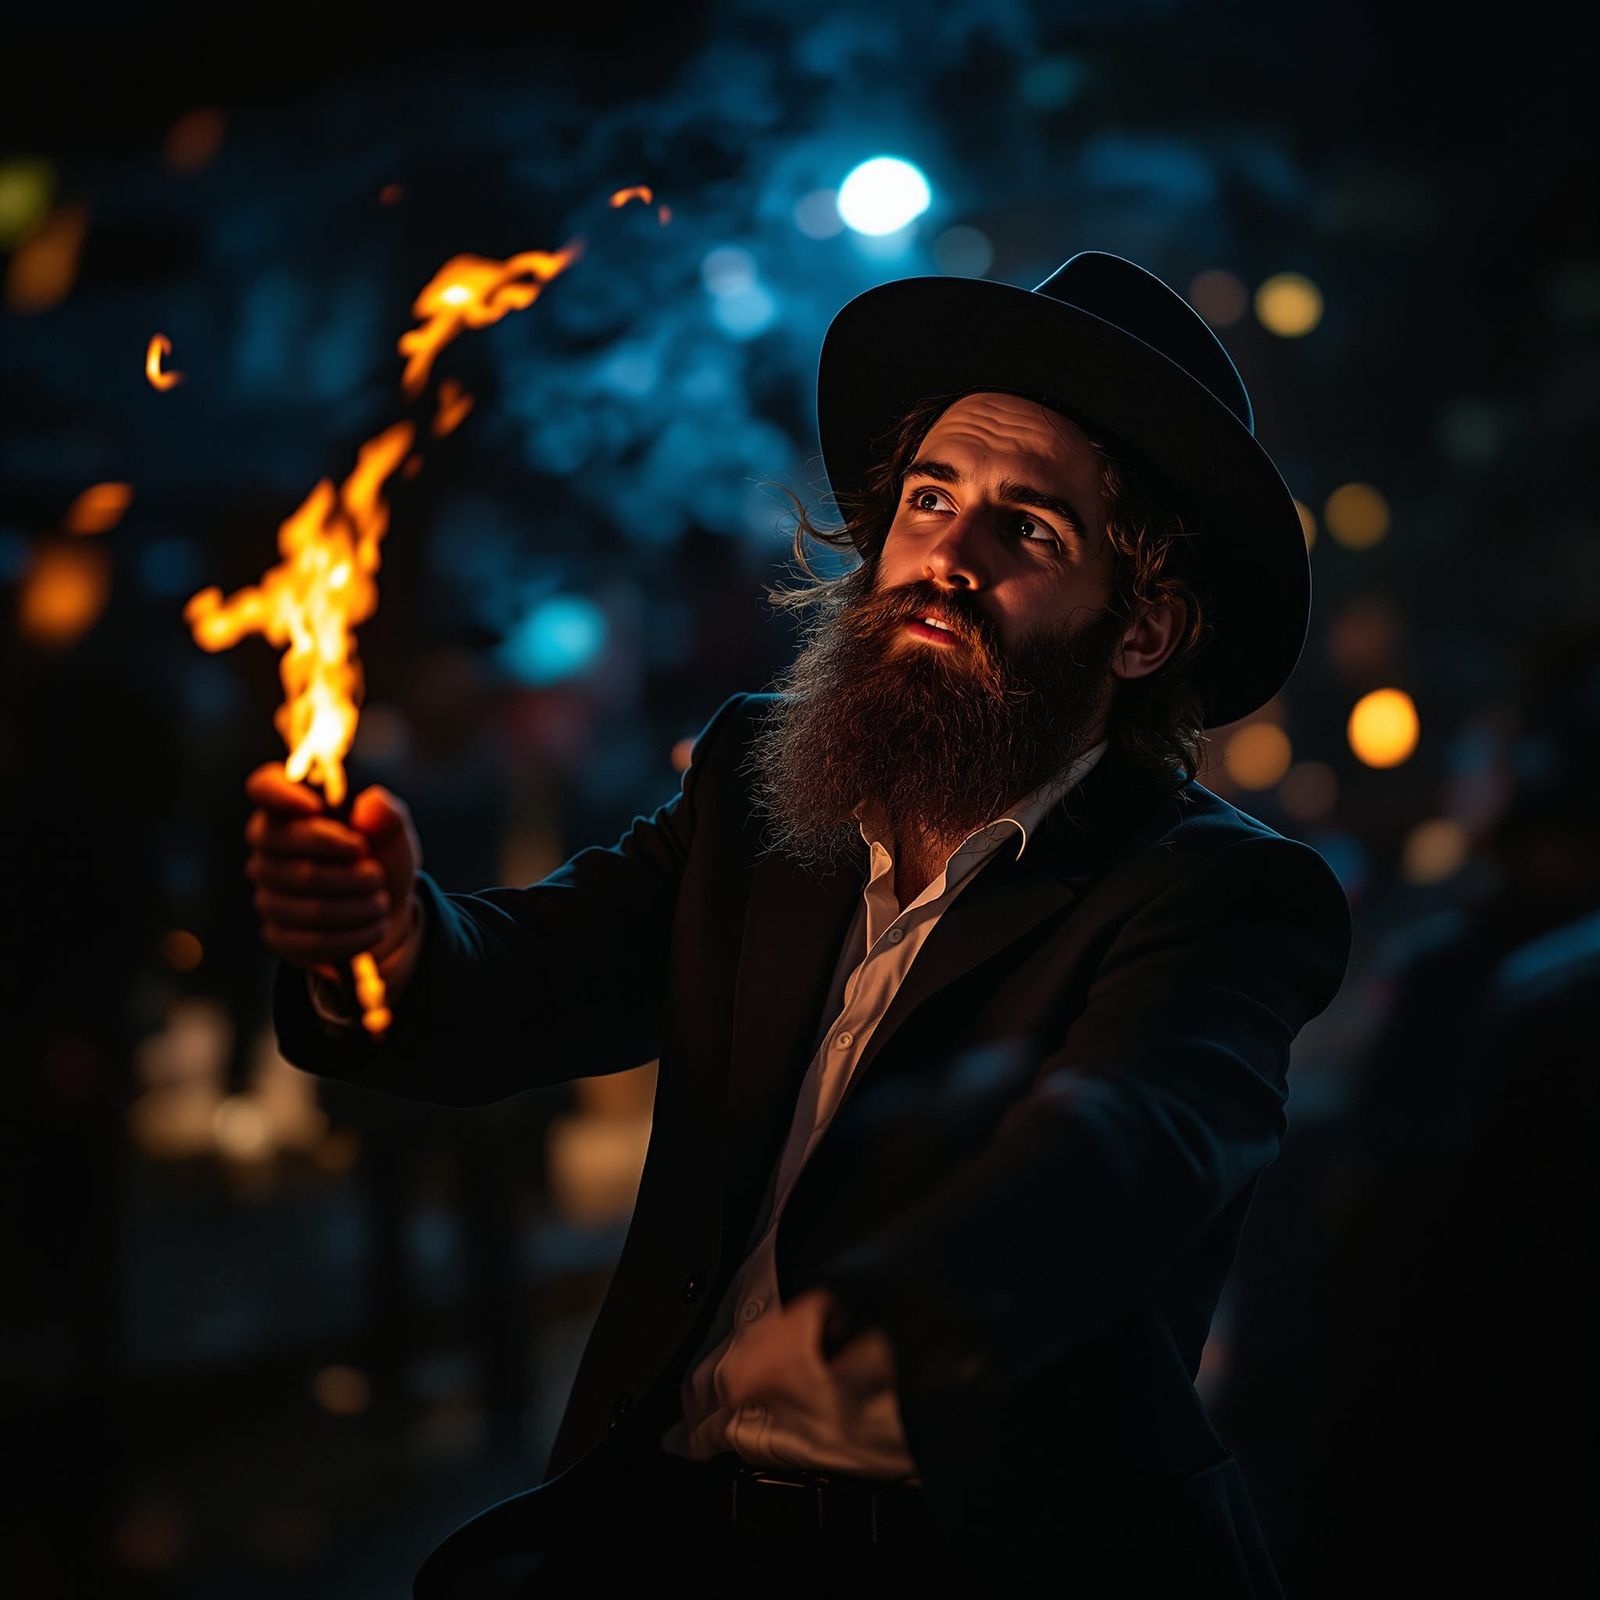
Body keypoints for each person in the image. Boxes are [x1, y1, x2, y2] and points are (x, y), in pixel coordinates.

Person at [249, 252, 1352, 1596]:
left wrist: (909, 1306)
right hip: (667, 1534)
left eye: (1030, 531)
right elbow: (532, 977)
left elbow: (1138, 1135)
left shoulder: (1216, 895)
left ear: (1142, 631)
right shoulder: (758, 790)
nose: (945, 556)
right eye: (930, 500)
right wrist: (381, 942)